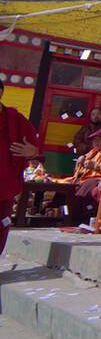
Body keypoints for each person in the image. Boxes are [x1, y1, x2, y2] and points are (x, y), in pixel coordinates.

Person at [0, 78, 40, 254]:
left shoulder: (14, 119)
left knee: (1, 225)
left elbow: (36, 147)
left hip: (4, 184)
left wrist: (32, 151)